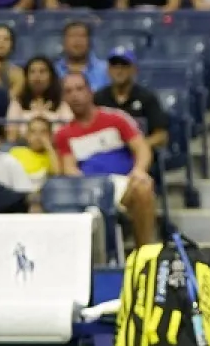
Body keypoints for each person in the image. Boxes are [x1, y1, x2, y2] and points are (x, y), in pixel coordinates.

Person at [53, 73, 158, 247]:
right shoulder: (63, 134)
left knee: (144, 189)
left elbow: (142, 149)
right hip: (90, 188)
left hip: (122, 184)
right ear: (64, 98)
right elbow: (69, 169)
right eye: (69, 91)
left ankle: (144, 254)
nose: (75, 95)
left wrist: (138, 171)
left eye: (79, 89)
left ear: (90, 92)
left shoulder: (116, 119)